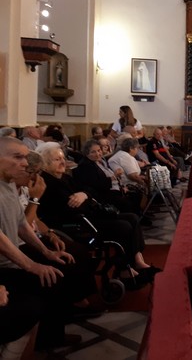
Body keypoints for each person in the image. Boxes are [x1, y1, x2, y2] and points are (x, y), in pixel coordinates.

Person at [36, 144, 157, 289]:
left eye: (63, 158)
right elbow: (71, 208)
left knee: (132, 217)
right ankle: (124, 269)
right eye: (57, 159)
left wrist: (84, 194)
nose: (63, 162)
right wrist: (86, 198)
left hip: (87, 215)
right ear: (45, 163)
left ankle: (135, 261)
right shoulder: (47, 182)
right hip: (75, 223)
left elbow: (88, 191)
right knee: (123, 226)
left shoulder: (65, 177)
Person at [0, 137, 78, 350]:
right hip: (4, 266)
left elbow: (22, 224)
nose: (25, 163)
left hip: (11, 260)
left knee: (58, 271)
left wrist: (47, 253)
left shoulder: (7, 185)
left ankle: (50, 340)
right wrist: (33, 266)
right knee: (46, 284)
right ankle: (40, 343)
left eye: (26, 157)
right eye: (18, 157)